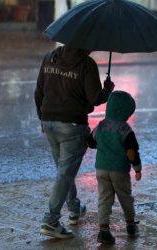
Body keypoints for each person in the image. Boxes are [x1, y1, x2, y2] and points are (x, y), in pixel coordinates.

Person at [34, 46, 115, 239]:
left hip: (49, 122)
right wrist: (107, 90)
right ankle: (51, 220)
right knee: (65, 173)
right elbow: (94, 98)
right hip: (72, 125)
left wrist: (42, 118)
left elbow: (38, 91)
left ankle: (74, 208)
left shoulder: (49, 57)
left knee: (64, 171)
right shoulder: (87, 64)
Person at [87, 90, 142, 245]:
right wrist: (137, 168)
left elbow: (91, 142)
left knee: (104, 198)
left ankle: (104, 230)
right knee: (125, 197)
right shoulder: (125, 129)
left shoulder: (101, 125)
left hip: (101, 168)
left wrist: (104, 145)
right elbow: (131, 152)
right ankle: (131, 226)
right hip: (119, 170)